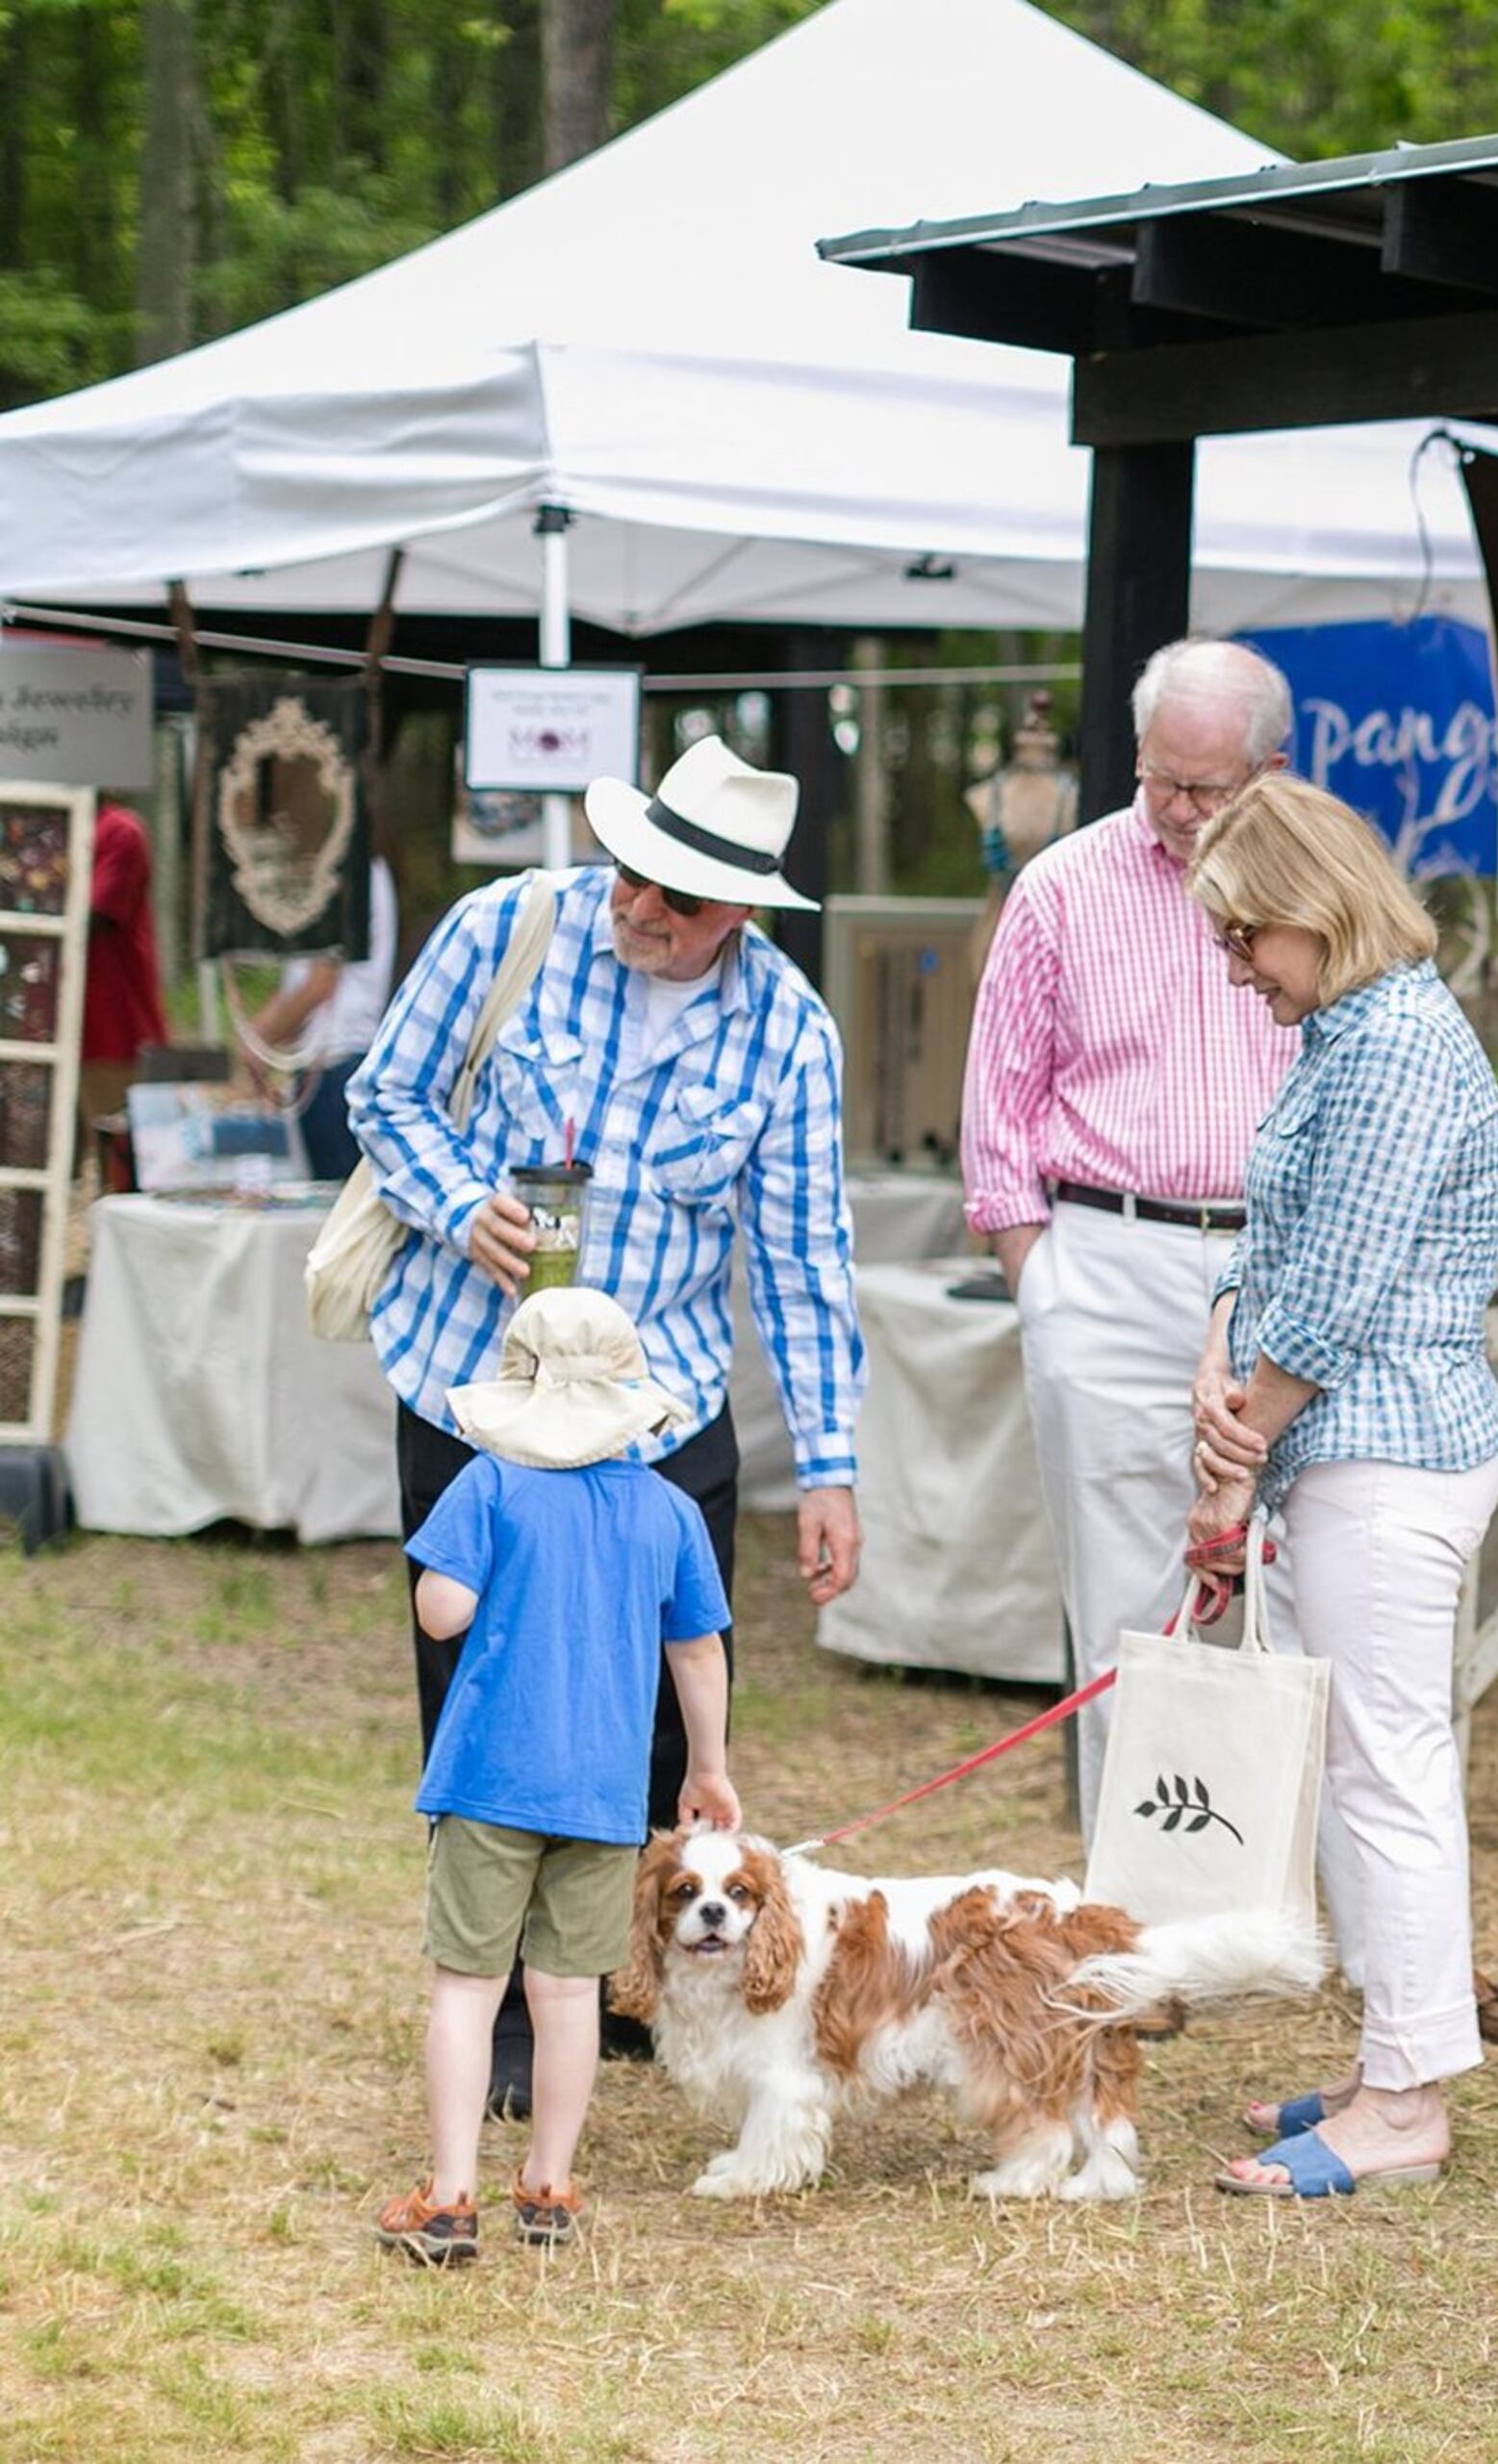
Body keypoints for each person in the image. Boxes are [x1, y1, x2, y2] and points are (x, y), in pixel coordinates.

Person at [345, 735, 861, 2106]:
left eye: (677, 897)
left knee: (664, 1722)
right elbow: (383, 1095)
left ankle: (624, 1983)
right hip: (476, 1389)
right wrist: (460, 1204)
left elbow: (804, 1258)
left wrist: (831, 1465)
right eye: (631, 870)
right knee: (483, 1704)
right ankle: (506, 2004)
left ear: (740, 912)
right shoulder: (505, 927)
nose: (638, 904)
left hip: (659, 1416)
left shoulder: (789, 1031)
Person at [1180, 775, 1498, 2200]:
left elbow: (1329, 1297)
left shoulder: (1395, 1050)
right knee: (1357, 1768)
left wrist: (1232, 1456)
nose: (1236, 969)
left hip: (1388, 1452)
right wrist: (1218, 1346)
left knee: (1389, 1773)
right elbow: (1270, 1244)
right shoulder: (1347, 1035)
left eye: (1246, 936)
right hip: (1340, 1447)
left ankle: (1409, 2100)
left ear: (1315, 909)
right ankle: (1389, 2059)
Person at [960, 638, 1300, 1835]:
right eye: (1162, 778)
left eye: (1208, 786)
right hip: (1107, 1255)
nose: (1181, 808)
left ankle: (1270, 1872)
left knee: (1298, 1584)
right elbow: (997, 1109)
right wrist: (1040, 1281)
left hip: (1286, 1264)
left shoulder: (1322, 883)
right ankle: (1138, 1897)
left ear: (1271, 769)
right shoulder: (1062, 883)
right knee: (1122, 1610)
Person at [374, 1287, 738, 2265]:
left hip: (490, 1781)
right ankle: (549, 2184)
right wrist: (707, 1765)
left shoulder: (489, 1485)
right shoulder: (668, 1509)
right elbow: (697, 1650)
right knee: (571, 1992)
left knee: (467, 1985)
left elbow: (440, 1612)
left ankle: (450, 2197)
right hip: (605, 1794)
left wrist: (467, 1564)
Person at [239, 853, 395, 1181]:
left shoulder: (345, 869)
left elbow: (320, 983)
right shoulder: (348, 868)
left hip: (337, 1066)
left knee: (332, 1199)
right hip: (331, 1064)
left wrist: (260, 1040)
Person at [77, 797, 166, 1194]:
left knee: (124, 1172)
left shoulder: (118, 831)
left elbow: (94, 916)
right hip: (54, 1032)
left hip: (112, 1031)